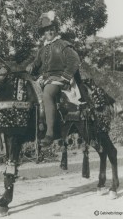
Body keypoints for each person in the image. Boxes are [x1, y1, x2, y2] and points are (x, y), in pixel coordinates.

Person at [26, 10, 81, 147]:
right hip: (44, 78)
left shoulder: (63, 44)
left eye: (51, 30)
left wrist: (65, 77)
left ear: (55, 30)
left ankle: (50, 133)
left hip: (58, 79)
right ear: (43, 33)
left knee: (47, 93)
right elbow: (36, 63)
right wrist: (31, 66)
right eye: (46, 31)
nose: (49, 33)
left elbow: (74, 61)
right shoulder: (42, 49)